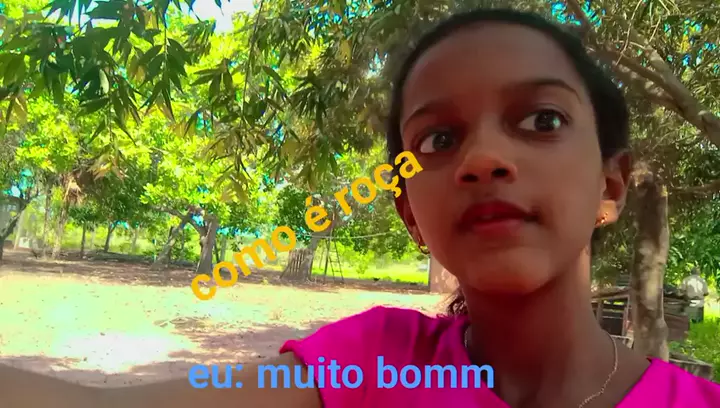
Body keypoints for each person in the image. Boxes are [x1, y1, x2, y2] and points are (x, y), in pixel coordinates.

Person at [2, 8, 720, 408]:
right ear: (411, 215)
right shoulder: (375, 365)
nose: (481, 159)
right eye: (438, 139)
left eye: (541, 120)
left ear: (610, 186)